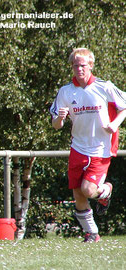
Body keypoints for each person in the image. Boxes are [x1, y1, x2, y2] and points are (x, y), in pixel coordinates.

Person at [50, 48, 126, 242]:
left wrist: (115, 124)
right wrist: (59, 118)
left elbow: (124, 106)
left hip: (100, 149)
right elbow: (56, 125)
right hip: (77, 148)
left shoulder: (104, 87)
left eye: (82, 65)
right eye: (75, 65)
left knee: (88, 190)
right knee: (78, 192)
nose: (79, 69)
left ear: (90, 65)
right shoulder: (66, 91)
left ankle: (105, 190)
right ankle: (92, 233)